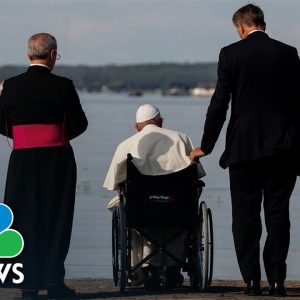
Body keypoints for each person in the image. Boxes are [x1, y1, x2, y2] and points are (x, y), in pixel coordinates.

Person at [190, 4, 300, 297]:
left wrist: (207, 145)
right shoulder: (289, 53)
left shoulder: (231, 54)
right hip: (283, 149)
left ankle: (251, 281)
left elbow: (219, 104)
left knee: (245, 216)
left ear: (240, 27)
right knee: (278, 215)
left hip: (244, 148)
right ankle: (277, 281)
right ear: (263, 23)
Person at [0, 33, 88, 300]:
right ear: (52, 55)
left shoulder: (11, 86)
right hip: (57, 160)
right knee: (57, 218)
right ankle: (54, 283)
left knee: (22, 219)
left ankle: (27, 287)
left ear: (29, 55)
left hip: (23, 161)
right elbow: (81, 123)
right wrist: (55, 137)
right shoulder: (63, 85)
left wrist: (25, 136)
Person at [104, 104, 205, 289]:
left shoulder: (126, 145)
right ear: (161, 122)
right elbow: (196, 174)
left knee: (129, 207)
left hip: (141, 212)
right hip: (178, 210)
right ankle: (173, 269)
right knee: (181, 208)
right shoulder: (182, 139)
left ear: (137, 126)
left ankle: (145, 268)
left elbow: (113, 183)